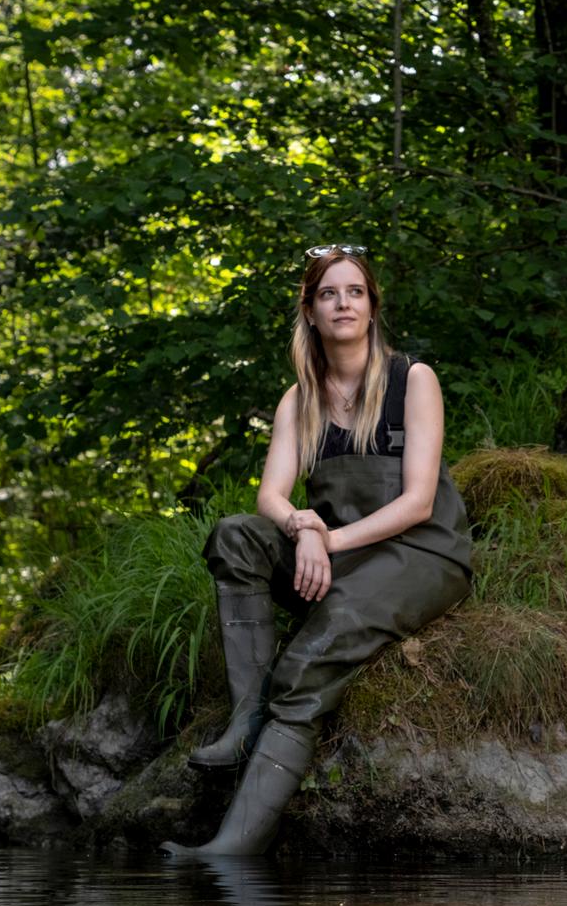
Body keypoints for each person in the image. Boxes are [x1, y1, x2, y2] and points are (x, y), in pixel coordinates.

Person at [164, 244, 474, 857]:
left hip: (423, 552)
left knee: (314, 648)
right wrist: (302, 525)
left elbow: (416, 503)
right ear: (310, 310)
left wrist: (323, 538)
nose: (343, 304)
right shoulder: (299, 400)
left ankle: (234, 847)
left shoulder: (413, 380)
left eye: (355, 292)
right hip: (343, 550)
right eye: (329, 293)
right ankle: (247, 719)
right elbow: (269, 497)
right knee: (235, 537)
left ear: (372, 306)